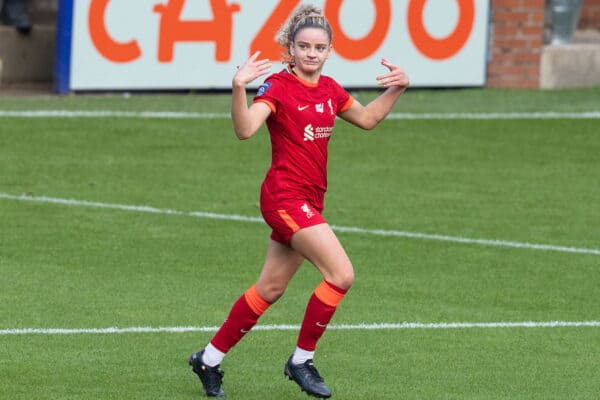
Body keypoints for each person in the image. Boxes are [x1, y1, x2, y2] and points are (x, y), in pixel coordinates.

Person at [189, 4, 409, 398]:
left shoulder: (330, 89)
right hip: (284, 198)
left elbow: (368, 119)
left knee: (270, 289)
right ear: (290, 48)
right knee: (341, 275)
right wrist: (238, 88)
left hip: (309, 200)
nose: (311, 53)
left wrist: (398, 88)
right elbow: (245, 130)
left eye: (319, 47)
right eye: (304, 46)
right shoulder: (277, 87)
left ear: (328, 51)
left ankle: (208, 359)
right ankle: (301, 360)